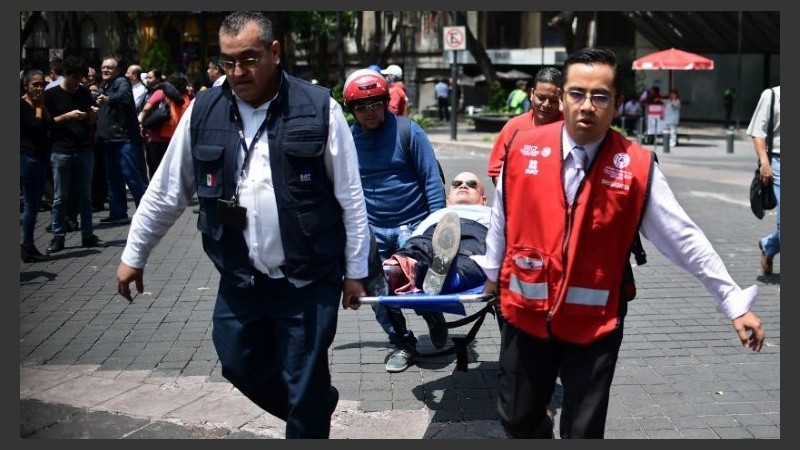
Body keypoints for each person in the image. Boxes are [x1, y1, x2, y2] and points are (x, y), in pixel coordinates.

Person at [475, 46, 766, 439]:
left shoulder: (636, 166)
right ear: (561, 98)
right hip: (527, 311)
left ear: (617, 104)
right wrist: (491, 273)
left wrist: (731, 301)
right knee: (518, 420)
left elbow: (682, 237)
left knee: (582, 430)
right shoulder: (522, 148)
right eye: (576, 93)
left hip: (596, 322)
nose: (586, 106)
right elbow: (502, 217)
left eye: (600, 96)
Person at [115, 12, 370, 439]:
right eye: (228, 61)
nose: (237, 71)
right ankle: (313, 405)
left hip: (307, 279)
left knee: (304, 385)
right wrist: (133, 254)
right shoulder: (203, 112)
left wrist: (357, 271)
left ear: (274, 52)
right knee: (237, 362)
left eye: (248, 59)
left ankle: (308, 411)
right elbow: (166, 191)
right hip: (240, 277)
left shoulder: (317, 107)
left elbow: (351, 197)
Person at [342, 67, 447, 373]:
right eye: (361, 107)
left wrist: (434, 228)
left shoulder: (408, 131)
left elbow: (431, 181)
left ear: (386, 101)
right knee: (377, 293)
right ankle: (402, 342)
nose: (370, 111)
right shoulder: (347, 139)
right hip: (372, 228)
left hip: (412, 226)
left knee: (413, 289)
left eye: (376, 103)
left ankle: (432, 315)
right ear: (351, 110)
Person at [377, 171, 491, 297]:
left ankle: (448, 278)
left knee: (472, 257)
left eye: (472, 185)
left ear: (483, 200)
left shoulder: (491, 213)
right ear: (448, 200)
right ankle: (393, 272)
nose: (463, 186)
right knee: (418, 249)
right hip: (437, 231)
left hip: (475, 232)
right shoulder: (437, 214)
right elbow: (414, 239)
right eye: (456, 184)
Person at [43, 56, 107, 253]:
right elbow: (48, 122)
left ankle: (87, 234)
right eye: (74, 79)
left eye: (80, 79)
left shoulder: (84, 92)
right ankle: (58, 236)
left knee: (85, 196)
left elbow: (89, 122)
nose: (76, 83)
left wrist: (93, 115)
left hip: (83, 149)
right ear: (65, 75)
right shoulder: (52, 94)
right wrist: (68, 116)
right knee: (60, 197)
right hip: (61, 150)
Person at [487, 67, 563, 186]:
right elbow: (496, 171)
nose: (546, 105)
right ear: (532, 93)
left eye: (553, 100)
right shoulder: (513, 127)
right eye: (541, 98)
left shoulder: (570, 130)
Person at [95, 56, 148, 224]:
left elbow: (124, 97)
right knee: (113, 178)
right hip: (109, 141)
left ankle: (145, 212)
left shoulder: (122, 83)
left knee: (131, 176)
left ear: (117, 71)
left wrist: (108, 99)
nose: (105, 70)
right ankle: (118, 212)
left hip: (124, 139)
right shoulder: (105, 86)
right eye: (103, 67)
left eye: (110, 67)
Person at [20, 69, 54, 262]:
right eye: (35, 84)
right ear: (26, 86)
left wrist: (43, 107)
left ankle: (28, 244)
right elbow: (35, 126)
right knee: (32, 204)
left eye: (42, 84)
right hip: (28, 158)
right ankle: (28, 246)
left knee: (34, 203)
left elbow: (50, 124)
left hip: (41, 157)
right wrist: (39, 107)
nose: (40, 88)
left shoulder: (41, 103)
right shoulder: (22, 105)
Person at [747, 86, 780, 276]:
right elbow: (758, 132)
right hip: (778, 162)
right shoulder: (772, 95)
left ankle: (769, 245)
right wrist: (764, 162)